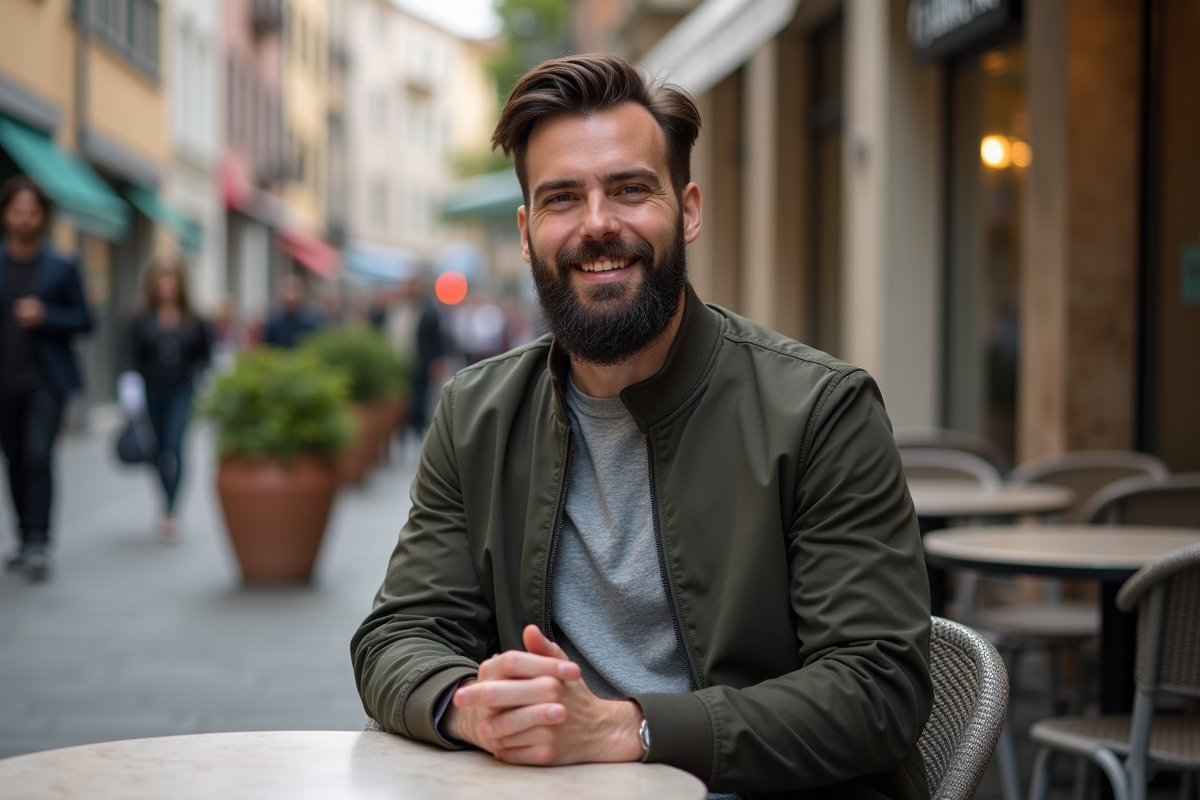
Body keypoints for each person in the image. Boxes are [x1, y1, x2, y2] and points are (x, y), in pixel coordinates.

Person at [351, 55, 932, 800]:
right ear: (528, 232)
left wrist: (632, 729)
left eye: (628, 189)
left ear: (687, 209)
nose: (597, 225)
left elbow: (878, 688)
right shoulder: (476, 415)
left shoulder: (821, 410)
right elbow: (397, 635)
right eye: (563, 198)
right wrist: (478, 711)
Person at [0, 176, 93, 582]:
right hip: (4, 382)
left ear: (43, 217)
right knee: (14, 460)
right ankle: (23, 538)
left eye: (32, 212)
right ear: (6, 214)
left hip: (46, 382)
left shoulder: (62, 265)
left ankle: (40, 540)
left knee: (38, 456)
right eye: (17, 211)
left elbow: (87, 320)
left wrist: (47, 315)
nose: (24, 219)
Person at [120, 255, 211, 539]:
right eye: (162, 277)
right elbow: (129, 356)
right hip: (150, 390)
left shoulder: (195, 319)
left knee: (175, 444)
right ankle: (164, 501)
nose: (167, 284)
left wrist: (205, 379)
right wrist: (129, 388)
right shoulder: (138, 317)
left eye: (172, 278)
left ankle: (172, 509)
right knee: (158, 449)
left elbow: (206, 356)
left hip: (183, 389)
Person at [262, 274, 322, 348]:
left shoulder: (313, 320)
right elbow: (268, 346)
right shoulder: (274, 321)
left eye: (294, 291)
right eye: (287, 291)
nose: (291, 297)